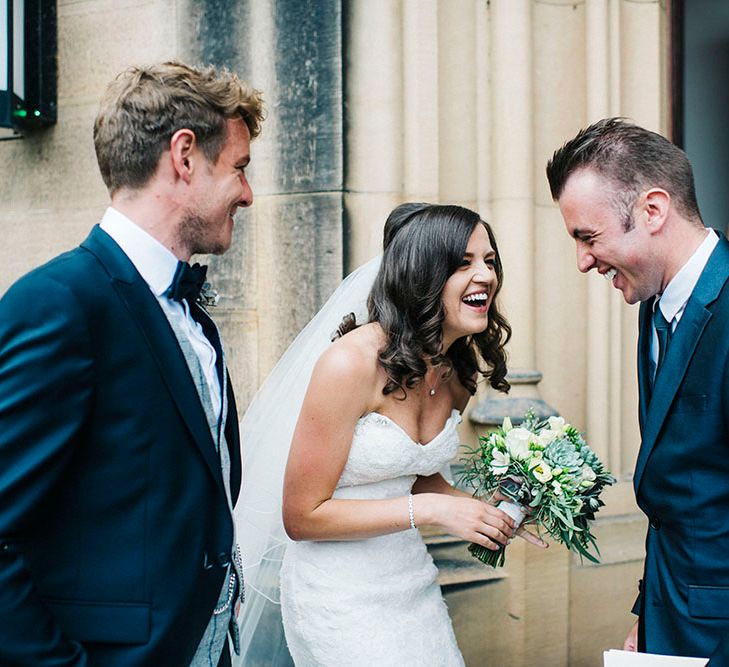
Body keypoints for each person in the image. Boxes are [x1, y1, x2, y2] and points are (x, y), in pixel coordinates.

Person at [0, 61, 264, 665]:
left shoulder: (191, 315)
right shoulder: (60, 303)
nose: (248, 194)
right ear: (184, 155)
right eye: (240, 168)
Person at [236, 203, 546, 666]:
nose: (485, 275)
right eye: (463, 263)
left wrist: (487, 512)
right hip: (338, 595)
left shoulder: (457, 374)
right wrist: (435, 509)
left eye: (490, 261)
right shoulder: (350, 364)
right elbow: (301, 517)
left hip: (410, 582)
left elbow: (416, 476)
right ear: (422, 275)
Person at [546, 118, 729, 664]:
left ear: (652, 210)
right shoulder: (653, 305)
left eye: (588, 237)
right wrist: (647, 611)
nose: (583, 260)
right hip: (671, 614)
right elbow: (683, 494)